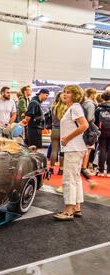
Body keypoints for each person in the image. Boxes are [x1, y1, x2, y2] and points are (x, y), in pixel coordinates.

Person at [52, 85, 89, 221]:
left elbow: (84, 125)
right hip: (75, 148)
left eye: (68, 93)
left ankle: (68, 211)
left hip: (73, 147)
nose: (64, 95)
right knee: (75, 178)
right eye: (64, 92)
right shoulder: (72, 108)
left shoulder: (75, 107)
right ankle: (76, 208)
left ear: (75, 95)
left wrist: (67, 138)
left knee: (69, 180)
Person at [49, 92, 66, 175]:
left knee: (54, 150)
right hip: (64, 131)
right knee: (62, 151)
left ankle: (51, 168)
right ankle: (61, 169)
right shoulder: (67, 108)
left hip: (55, 129)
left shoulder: (53, 107)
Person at [81, 88, 98, 176]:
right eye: (95, 94)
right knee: (88, 149)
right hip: (89, 129)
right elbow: (90, 118)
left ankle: (83, 167)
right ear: (92, 94)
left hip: (85, 128)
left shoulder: (84, 103)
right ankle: (84, 168)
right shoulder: (91, 104)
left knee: (85, 149)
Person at [94, 91, 110, 177]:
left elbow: (95, 121)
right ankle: (109, 172)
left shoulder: (98, 108)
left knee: (102, 150)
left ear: (103, 98)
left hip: (101, 131)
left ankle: (100, 170)